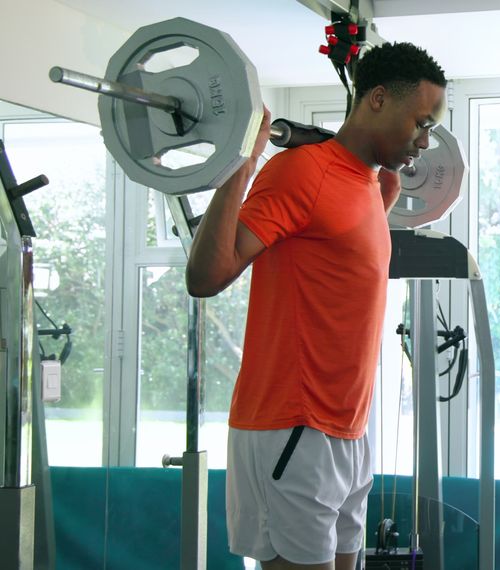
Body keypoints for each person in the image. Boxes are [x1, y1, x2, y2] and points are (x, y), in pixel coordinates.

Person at [186, 42, 447, 570]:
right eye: (420, 124)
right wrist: (242, 161)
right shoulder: (299, 172)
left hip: (349, 428)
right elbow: (206, 276)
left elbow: (354, 219)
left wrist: (377, 169)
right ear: (378, 98)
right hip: (293, 426)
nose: (424, 142)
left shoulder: (372, 184)